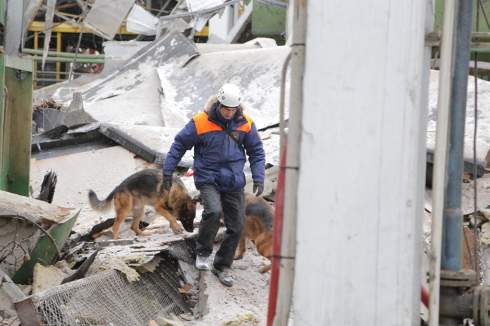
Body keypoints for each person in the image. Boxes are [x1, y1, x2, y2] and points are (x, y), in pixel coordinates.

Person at [162, 83, 266, 287]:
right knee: (213, 211)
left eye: (232, 109)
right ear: (219, 104)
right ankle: (202, 252)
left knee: (237, 224)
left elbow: (256, 150)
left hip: (233, 179)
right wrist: (168, 171)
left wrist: (259, 176)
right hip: (208, 176)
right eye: (225, 109)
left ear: (238, 107)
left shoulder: (245, 123)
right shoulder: (201, 122)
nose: (229, 113)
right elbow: (179, 144)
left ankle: (222, 265)